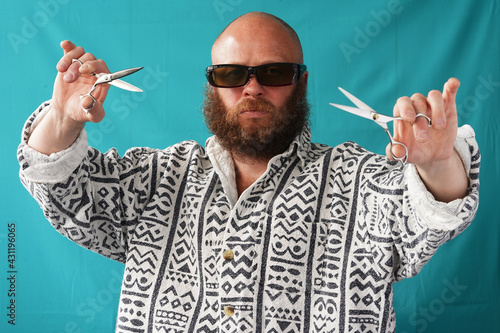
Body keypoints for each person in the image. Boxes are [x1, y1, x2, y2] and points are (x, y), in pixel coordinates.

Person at [18, 11, 479, 333]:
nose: (252, 87)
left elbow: (425, 217)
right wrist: (62, 117)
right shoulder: (159, 177)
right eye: (232, 74)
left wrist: (437, 162)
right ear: (213, 85)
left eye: (273, 72)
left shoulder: (358, 181)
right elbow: (64, 190)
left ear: (301, 82)